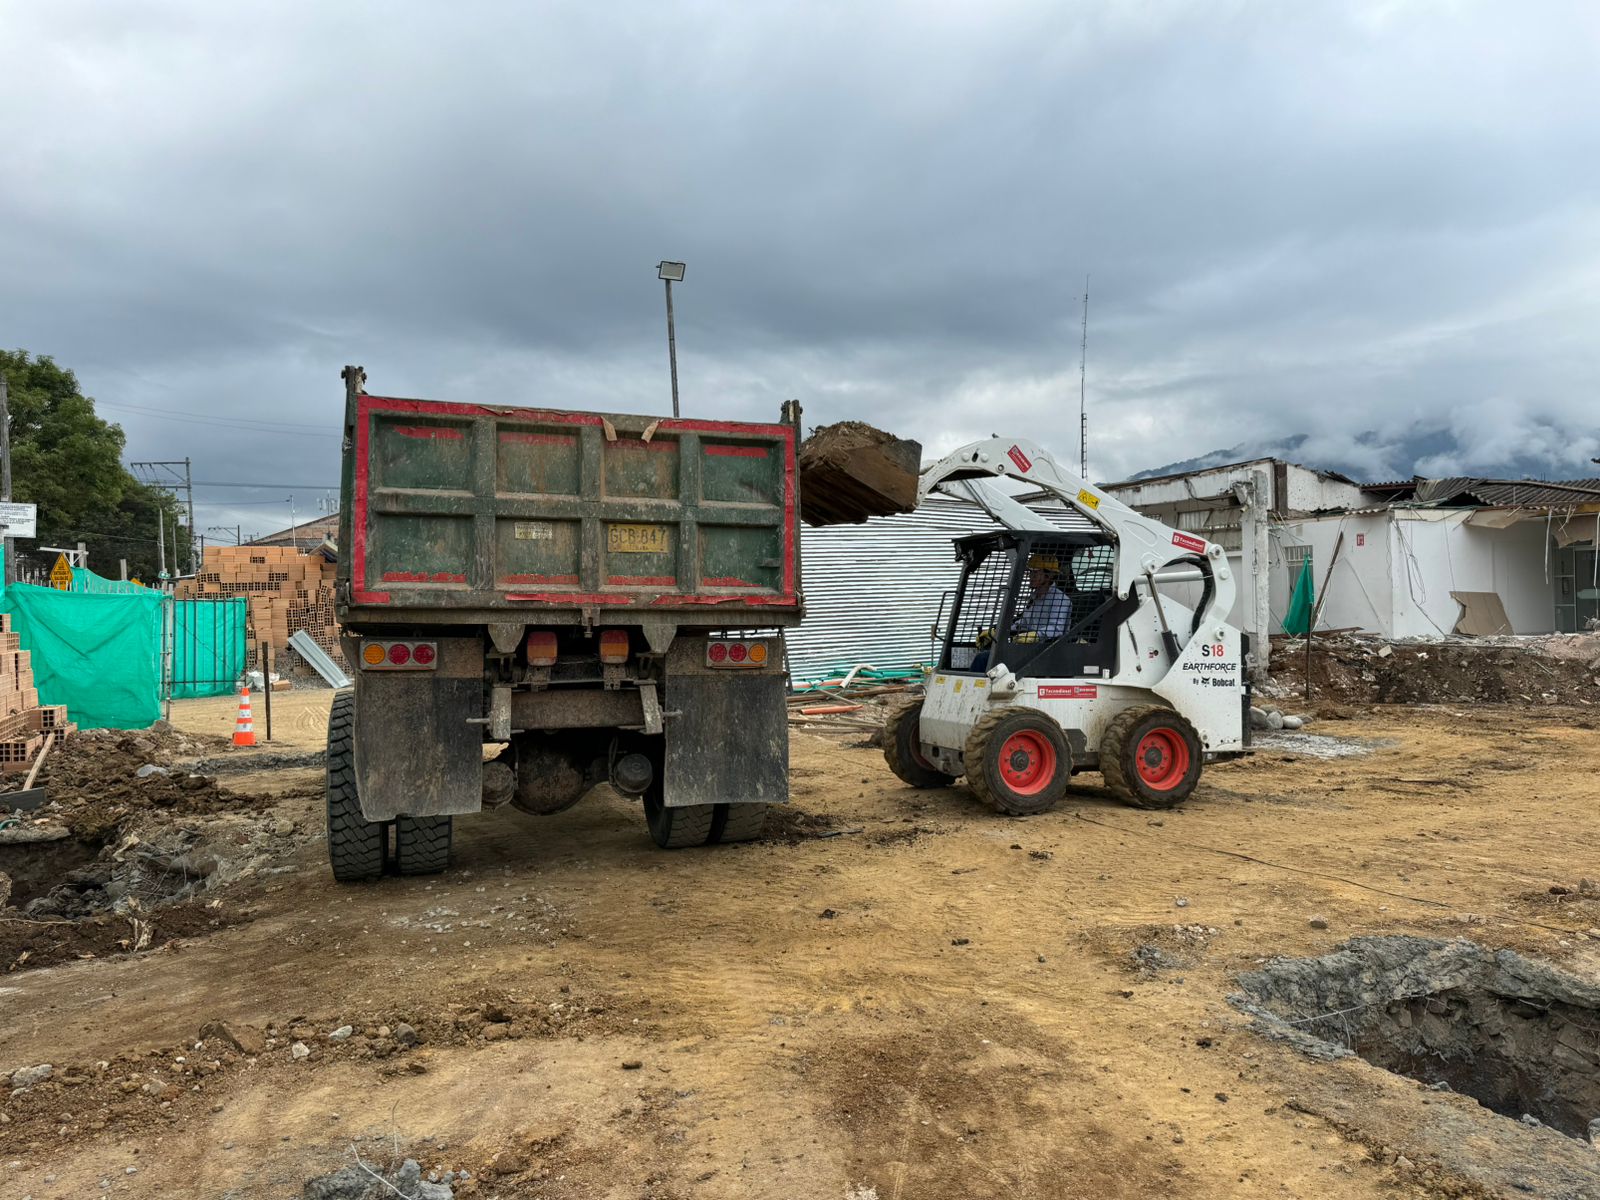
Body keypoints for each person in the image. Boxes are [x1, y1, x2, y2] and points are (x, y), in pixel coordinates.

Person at [971, 553, 1074, 670]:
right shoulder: (1034, 597)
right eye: (1030, 572)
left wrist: (1035, 635)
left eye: (1035, 572)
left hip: (1047, 653)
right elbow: (1023, 623)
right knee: (986, 655)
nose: (1031, 576)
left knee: (984, 659)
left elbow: (1057, 629)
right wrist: (997, 632)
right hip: (1027, 649)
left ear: (1048, 576)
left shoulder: (1060, 600)